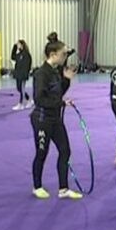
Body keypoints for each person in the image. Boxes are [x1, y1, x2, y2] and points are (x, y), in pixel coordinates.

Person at [30, 40, 82, 200]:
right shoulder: (41, 74)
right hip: (42, 119)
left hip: (55, 118)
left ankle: (63, 188)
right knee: (42, 153)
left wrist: (66, 80)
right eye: (63, 54)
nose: (65, 57)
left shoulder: (55, 71)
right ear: (53, 55)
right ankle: (37, 186)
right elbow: (39, 99)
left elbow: (58, 93)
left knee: (65, 150)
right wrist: (61, 103)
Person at [11, 39, 33, 110]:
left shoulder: (26, 54)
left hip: (23, 74)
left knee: (22, 88)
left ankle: (21, 104)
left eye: (18, 44)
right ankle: (29, 99)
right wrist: (14, 47)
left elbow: (27, 65)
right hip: (18, 74)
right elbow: (13, 57)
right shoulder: (18, 54)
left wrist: (26, 73)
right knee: (19, 88)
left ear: (22, 45)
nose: (18, 46)